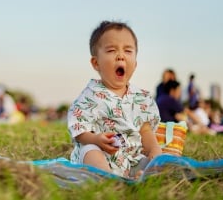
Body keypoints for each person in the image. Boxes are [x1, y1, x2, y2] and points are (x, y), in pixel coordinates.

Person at [67, 20, 162, 179]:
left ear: (135, 63)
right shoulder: (91, 95)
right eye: (111, 50)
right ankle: (110, 180)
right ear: (96, 63)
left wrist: (155, 150)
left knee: (156, 163)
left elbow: (145, 131)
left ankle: (139, 177)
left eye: (128, 50)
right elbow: (79, 130)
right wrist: (96, 139)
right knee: (89, 151)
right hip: (100, 155)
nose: (120, 56)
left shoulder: (142, 98)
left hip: (130, 159)